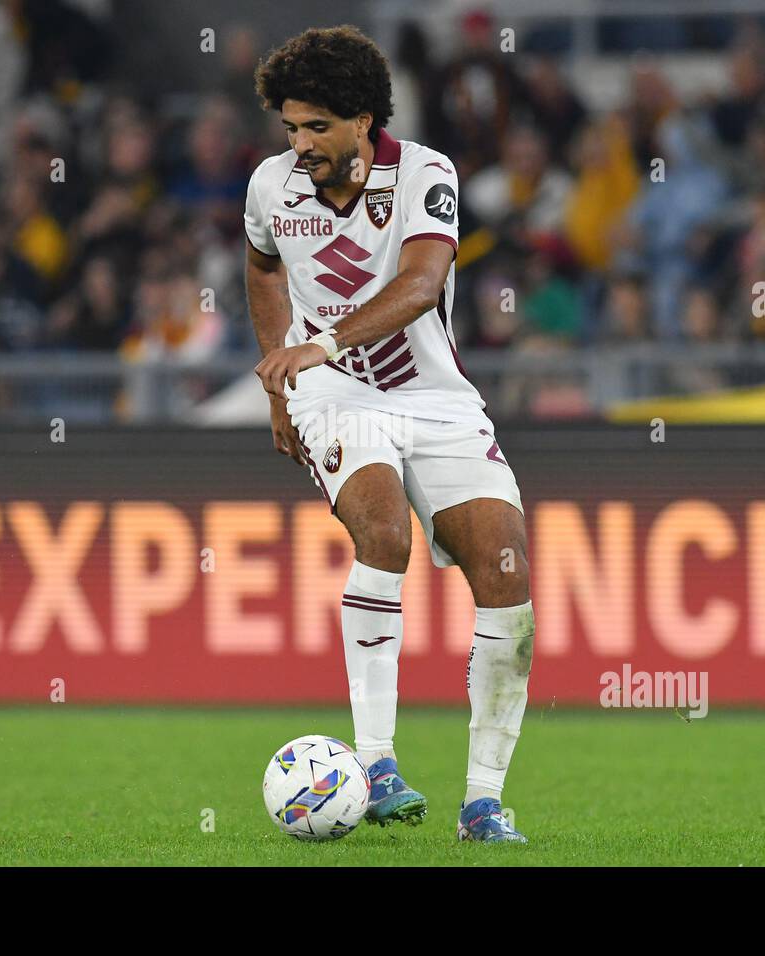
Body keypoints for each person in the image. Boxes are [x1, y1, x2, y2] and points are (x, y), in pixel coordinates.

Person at [244, 26, 532, 843]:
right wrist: (282, 379)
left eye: (316, 128)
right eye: (290, 128)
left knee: (507, 570)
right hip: (333, 392)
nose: (299, 145)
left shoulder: (425, 172)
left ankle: (483, 805)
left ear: (363, 118)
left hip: (434, 396)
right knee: (382, 531)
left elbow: (423, 280)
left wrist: (324, 337)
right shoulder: (270, 187)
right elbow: (262, 267)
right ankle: (376, 765)